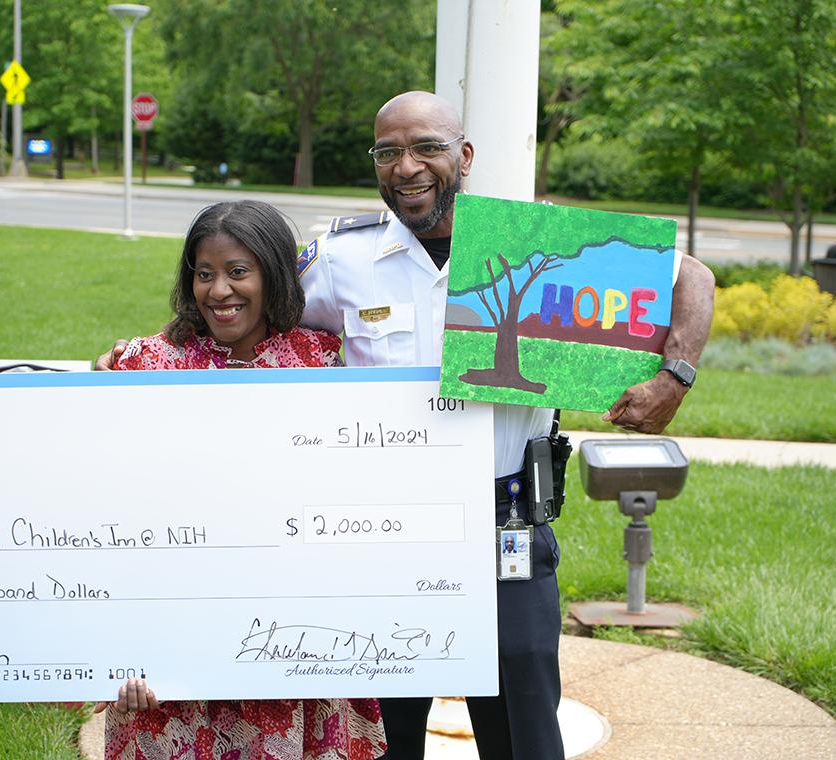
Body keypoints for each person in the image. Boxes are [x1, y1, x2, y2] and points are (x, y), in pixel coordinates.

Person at [98, 92, 715, 760]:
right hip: (381, 544)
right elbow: (243, 295)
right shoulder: (340, 260)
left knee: (526, 740)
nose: (406, 166)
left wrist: (672, 376)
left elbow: (693, 278)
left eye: (426, 147)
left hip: (506, 534)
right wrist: (144, 355)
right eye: (388, 152)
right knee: (383, 742)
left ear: (464, 156)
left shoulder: (536, 245)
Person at [94, 200, 386, 760]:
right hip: (173, 643)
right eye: (205, 274)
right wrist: (115, 646)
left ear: (273, 274)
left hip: (291, 636)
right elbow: (104, 504)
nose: (219, 290)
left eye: (237, 272)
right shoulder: (147, 365)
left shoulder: (321, 362)